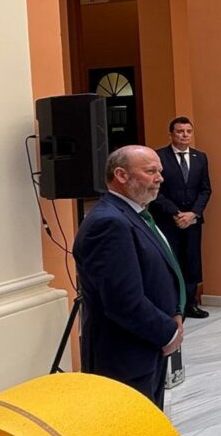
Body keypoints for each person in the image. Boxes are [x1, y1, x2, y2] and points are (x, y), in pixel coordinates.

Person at [73, 146, 185, 409]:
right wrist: (168, 332)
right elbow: (123, 300)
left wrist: (176, 312)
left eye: (160, 171)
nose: (160, 178)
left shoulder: (135, 213)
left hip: (147, 346)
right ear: (121, 175)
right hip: (125, 357)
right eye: (151, 171)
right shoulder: (109, 223)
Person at [150, 116, 212, 319]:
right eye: (180, 131)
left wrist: (193, 213)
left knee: (192, 261)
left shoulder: (200, 157)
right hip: (168, 220)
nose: (185, 135)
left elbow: (205, 189)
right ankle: (173, 305)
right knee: (171, 261)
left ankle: (190, 304)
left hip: (193, 220)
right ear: (171, 134)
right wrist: (176, 213)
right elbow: (156, 190)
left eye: (188, 131)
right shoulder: (159, 156)